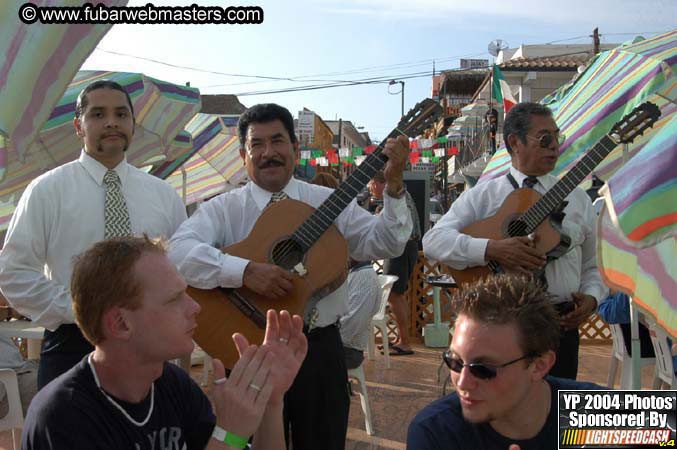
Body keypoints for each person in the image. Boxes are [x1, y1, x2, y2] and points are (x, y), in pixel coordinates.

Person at [169, 103, 413, 450]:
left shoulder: (329, 201)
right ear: (243, 155)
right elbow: (177, 252)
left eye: (278, 141)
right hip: (248, 347)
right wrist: (244, 271)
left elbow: (387, 242)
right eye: (257, 144)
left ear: (296, 149)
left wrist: (394, 186)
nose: (268, 153)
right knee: (253, 442)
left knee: (324, 440)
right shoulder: (223, 208)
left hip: (318, 347)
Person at [22, 236, 307, 450]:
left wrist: (270, 402)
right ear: (120, 324)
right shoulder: (62, 416)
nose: (195, 307)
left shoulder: (172, 385)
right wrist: (228, 434)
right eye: (174, 299)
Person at [0, 80, 187, 389]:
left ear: (132, 124)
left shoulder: (163, 195)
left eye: (121, 114)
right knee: (68, 436)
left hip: (148, 343)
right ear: (79, 126)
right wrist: (77, 307)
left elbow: (182, 266)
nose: (111, 122)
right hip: (71, 342)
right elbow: (12, 271)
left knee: (144, 436)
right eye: (98, 114)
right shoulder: (47, 190)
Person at [423, 102, 607, 379]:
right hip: (497, 323)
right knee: (499, 414)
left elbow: (596, 264)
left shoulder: (578, 199)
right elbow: (433, 241)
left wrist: (593, 298)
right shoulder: (482, 196)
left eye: (556, 137)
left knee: (559, 412)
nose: (554, 146)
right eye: (545, 138)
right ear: (514, 142)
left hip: (560, 324)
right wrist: (492, 249)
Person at [407, 274, 603, 450]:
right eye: (455, 362)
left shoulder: (601, 414)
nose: (462, 383)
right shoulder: (436, 434)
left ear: (540, 366)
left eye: (484, 369)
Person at [368, 170, 421, 355]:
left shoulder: (397, 197)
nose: (369, 187)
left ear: (381, 183)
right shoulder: (399, 195)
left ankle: (405, 342)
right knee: (396, 294)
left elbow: (395, 228)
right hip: (404, 246)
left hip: (402, 247)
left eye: (371, 183)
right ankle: (400, 339)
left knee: (394, 295)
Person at [340, 260, 381, 369]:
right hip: (339, 345)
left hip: (347, 351)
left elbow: (352, 325)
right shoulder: (354, 272)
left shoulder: (365, 278)